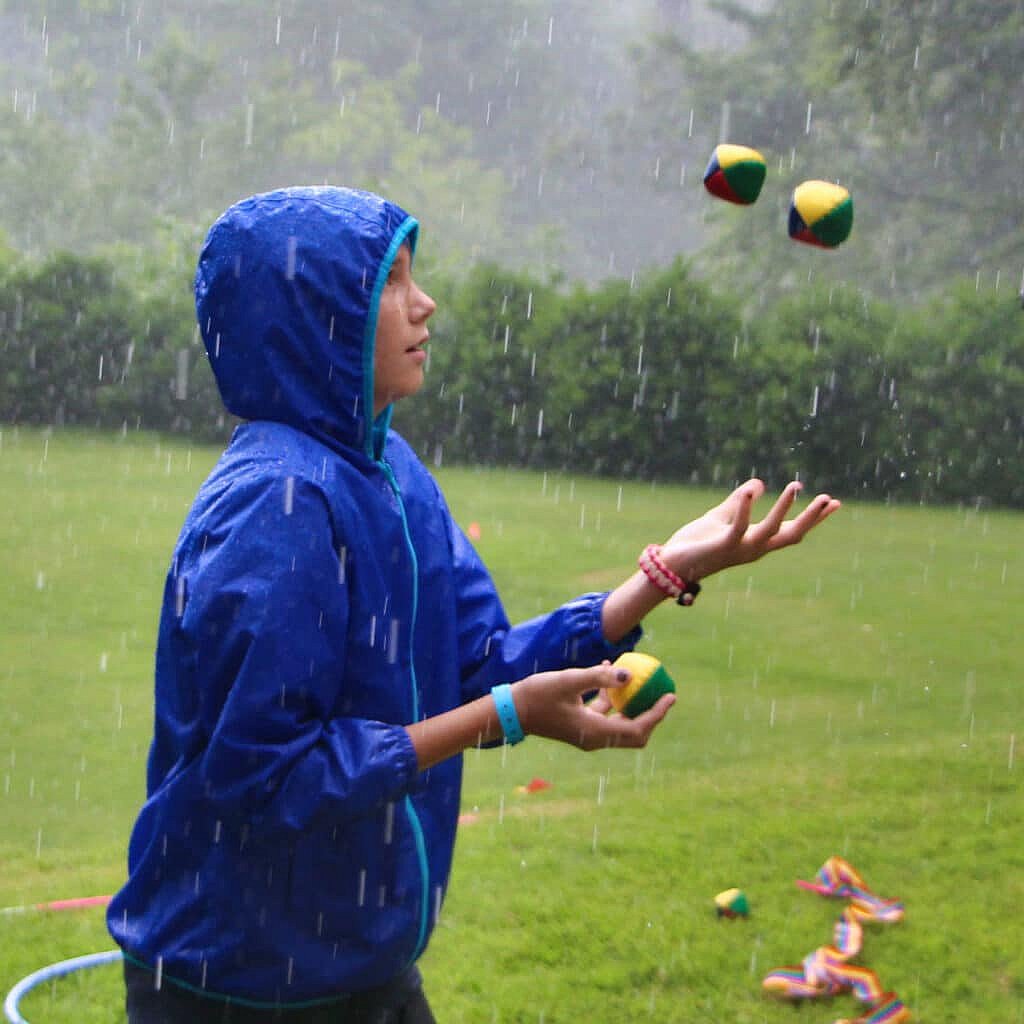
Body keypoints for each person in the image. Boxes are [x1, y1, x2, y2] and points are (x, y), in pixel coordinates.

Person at [107, 185, 840, 1023]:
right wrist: (500, 718)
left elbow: (476, 663)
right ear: (314, 316)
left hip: (358, 965)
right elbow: (270, 777)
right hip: (240, 985)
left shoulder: (392, 474)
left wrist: (658, 576)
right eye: (391, 281)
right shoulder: (275, 504)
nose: (425, 304)